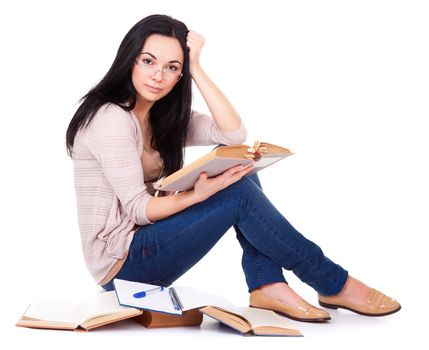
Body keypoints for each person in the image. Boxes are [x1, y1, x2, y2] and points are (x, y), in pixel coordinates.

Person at [65, 14, 400, 322]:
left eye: (172, 67)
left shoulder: (162, 117)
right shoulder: (110, 118)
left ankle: (267, 285)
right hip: (121, 265)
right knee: (236, 191)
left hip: (148, 244)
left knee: (242, 167)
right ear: (130, 60)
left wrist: (196, 68)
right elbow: (139, 209)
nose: (158, 75)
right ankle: (330, 281)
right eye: (148, 61)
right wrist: (196, 195)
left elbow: (232, 133)